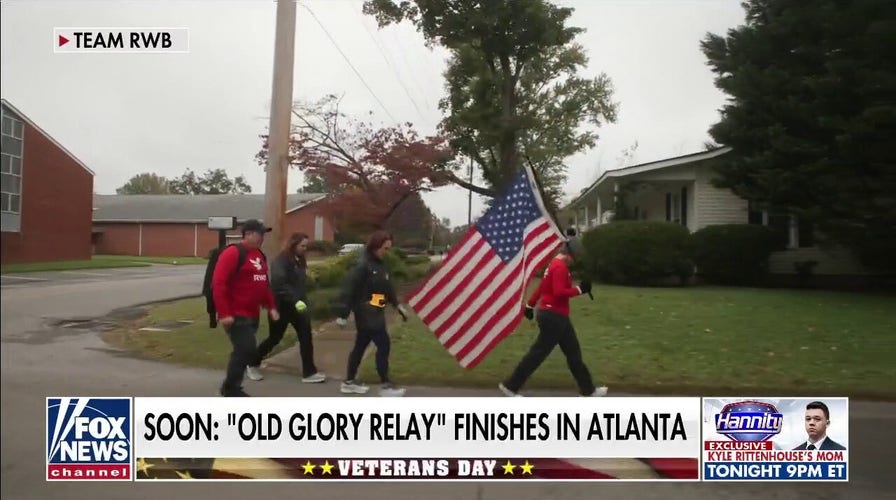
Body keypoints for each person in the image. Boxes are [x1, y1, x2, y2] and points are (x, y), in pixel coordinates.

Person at [498, 238, 608, 397]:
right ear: (570, 254)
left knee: (573, 354)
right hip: (553, 317)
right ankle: (510, 386)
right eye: (575, 256)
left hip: (557, 316)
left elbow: (543, 287)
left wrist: (530, 304)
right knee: (537, 354)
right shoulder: (559, 267)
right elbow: (558, 292)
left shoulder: (552, 265)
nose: (574, 260)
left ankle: (588, 390)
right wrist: (579, 290)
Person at [336, 230, 409, 397]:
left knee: (360, 346)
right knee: (383, 344)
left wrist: (397, 305)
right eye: (385, 248)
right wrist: (343, 314)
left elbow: (387, 288)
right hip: (365, 311)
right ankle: (385, 385)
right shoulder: (363, 265)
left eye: (389, 248)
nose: (387, 252)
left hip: (376, 308)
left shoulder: (380, 264)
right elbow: (349, 289)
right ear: (376, 246)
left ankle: (349, 382)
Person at [211, 219, 279, 397]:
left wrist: (271, 306)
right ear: (247, 234)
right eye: (259, 234)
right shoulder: (232, 253)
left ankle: (232, 386)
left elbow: (263, 284)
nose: (262, 238)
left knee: (244, 350)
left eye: (263, 234)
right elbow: (219, 284)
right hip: (235, 313)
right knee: (246, 349)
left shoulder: (259, 255)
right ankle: (231, 389)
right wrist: (224, 313)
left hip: (252, 313)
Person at [246, 232, 325, 384]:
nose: (304, 249)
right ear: (293, 244)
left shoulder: (300, 260)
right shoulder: (280, 261)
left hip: (298, 307)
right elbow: (279, 285)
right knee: (275, 338)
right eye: (302, 246)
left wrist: (306, 292)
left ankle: (309, 373)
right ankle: (252, 362)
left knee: (306, 337)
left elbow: (298, 283)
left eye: (306, 246)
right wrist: (295, 300)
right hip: (281, 306)